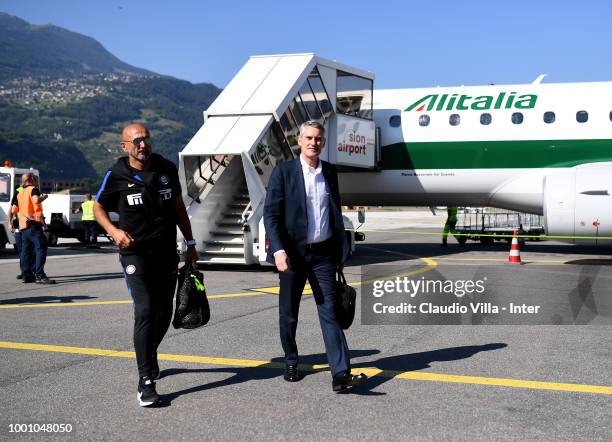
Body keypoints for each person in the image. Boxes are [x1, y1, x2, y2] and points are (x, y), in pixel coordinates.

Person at [93, 123, 198, 407]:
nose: (142, 144)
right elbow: (97, 207)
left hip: (165, 253)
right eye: (136, 140)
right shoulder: (116, 173)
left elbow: (178, 208)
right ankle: (146, 381)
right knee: (146, 309)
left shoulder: (165, 168)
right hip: (134, 254)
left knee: (164, 313)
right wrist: (114, 232)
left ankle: (148, 354)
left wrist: (190, 243)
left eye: (145, 139)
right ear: (124, 146)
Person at [264, 120, 367, 393]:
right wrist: (279, 250)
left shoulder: (329, 172)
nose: (313, 142)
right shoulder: (284, 172)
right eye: (308, 138)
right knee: (289, 314)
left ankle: (341, 373)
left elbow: (333, 213)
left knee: (330, 313)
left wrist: (340, 252)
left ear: (323, 142)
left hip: (322, 255)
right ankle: (290, 359)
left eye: (318, 139)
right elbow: (271, 215)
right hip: (293, 255)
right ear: (299, 140)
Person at [16, 173, 55, 284]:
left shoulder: (20, 193)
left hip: (23, 226)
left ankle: (26, 275)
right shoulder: (33, 189)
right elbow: (36, 201)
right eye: (35, 178)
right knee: (41, 247)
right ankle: (40, 275)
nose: (36, 180)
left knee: (26, 251)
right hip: (33, 225)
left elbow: (16, 209)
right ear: (30, 179)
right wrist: (44, 197)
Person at [9, 183, 34, 280]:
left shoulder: (32, 192)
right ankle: (25, 271)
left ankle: (28, 271)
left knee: (27, 251)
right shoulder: (20, 192)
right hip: (20, 227)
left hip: (26, 227)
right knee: (23, 252)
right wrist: (9, 223)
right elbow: (11, 209)